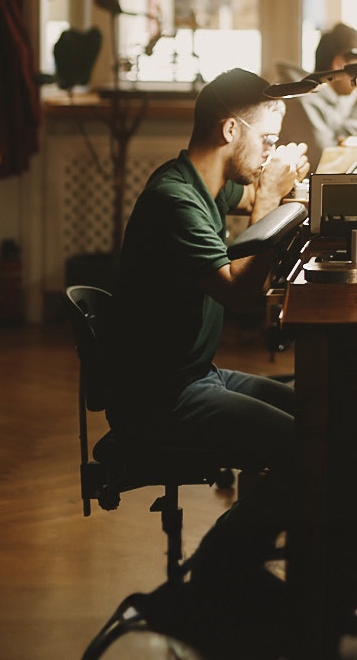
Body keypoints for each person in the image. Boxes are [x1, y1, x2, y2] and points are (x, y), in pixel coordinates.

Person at [103, 68, 313, 473]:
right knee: (303, 447)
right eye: (267, 140)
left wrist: (274, 181)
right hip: (161, 398)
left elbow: (252, 192)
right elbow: (239, 295)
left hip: (195, 375)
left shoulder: (201, 179)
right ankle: (229, 541)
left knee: (316, 415)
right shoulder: (175, 200)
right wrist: (270, 191)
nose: (270, 151)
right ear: (231, 129)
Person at [278, 22, 357, 167]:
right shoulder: (303, 99)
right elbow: (323, 161)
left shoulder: (333, 95)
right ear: (339, 64)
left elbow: (340, 137)